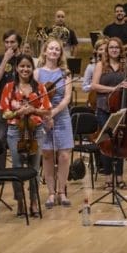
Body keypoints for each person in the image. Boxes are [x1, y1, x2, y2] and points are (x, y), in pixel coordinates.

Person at [0, 54, 51, 217]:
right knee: (17, 166)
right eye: (22, 66)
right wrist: (18, 112)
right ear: (16, 68)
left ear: (32, 68)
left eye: (28, 66)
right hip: (15, 131)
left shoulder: (40, 88)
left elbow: (46, 111)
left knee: (34, 167)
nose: (25, 69)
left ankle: (34, 201)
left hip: (36, 130)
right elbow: (5, 113)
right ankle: (20, 201)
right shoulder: (9, 87)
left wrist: (33, 110)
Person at [91, 38, 127, 188]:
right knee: (107, 143)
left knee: (120, 142)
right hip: (104, 109)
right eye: (111, 47)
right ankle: (108, 178)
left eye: (117, 47)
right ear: (107, 50)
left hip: (121, 110)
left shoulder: (126, 66)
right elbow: (94, 85)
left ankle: (119, 177)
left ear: (120, 50)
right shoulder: (101, 65)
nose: (114, 50)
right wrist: (113, 89)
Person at [36, 39, 75, 208]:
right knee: (47, 154)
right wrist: (45, 114)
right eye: (51, 48)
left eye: (57, 49)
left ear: (60, 53)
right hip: (43, 116)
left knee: (64, 155)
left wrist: (53, 112)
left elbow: (67, 98)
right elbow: (34, 96)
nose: (53, 51)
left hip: (61, 116)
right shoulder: (37, 73)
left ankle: (62, 192)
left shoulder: (65, 73)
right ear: (45, 51)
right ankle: (51, 193)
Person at [0, 30, 22, 174]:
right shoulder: (0, 59)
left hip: (20, 106)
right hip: (4, 106)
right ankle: (0, 173)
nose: (9, 45)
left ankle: (19, 171)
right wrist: (5, 59)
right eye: (6, 42)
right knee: (0, 138)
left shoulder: (23, 59)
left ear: (18, 43)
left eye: (12, 42)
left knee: (19, 139)